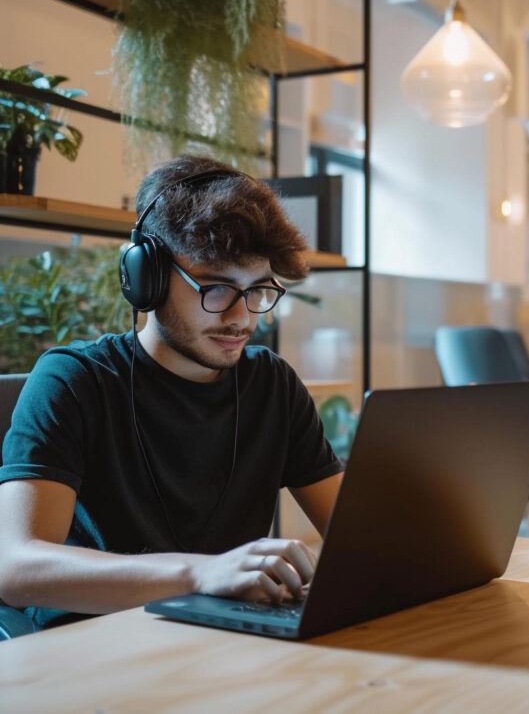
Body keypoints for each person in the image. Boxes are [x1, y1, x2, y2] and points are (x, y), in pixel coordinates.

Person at [0, 155, 343, 632]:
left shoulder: (273, 385)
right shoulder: (74, 380)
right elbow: (15, 567)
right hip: (90, 648)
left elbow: (356, 541)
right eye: (215, 287)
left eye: (258, 290)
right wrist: (200, 573)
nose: (242, 317)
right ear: (149, 279)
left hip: (224, 646)